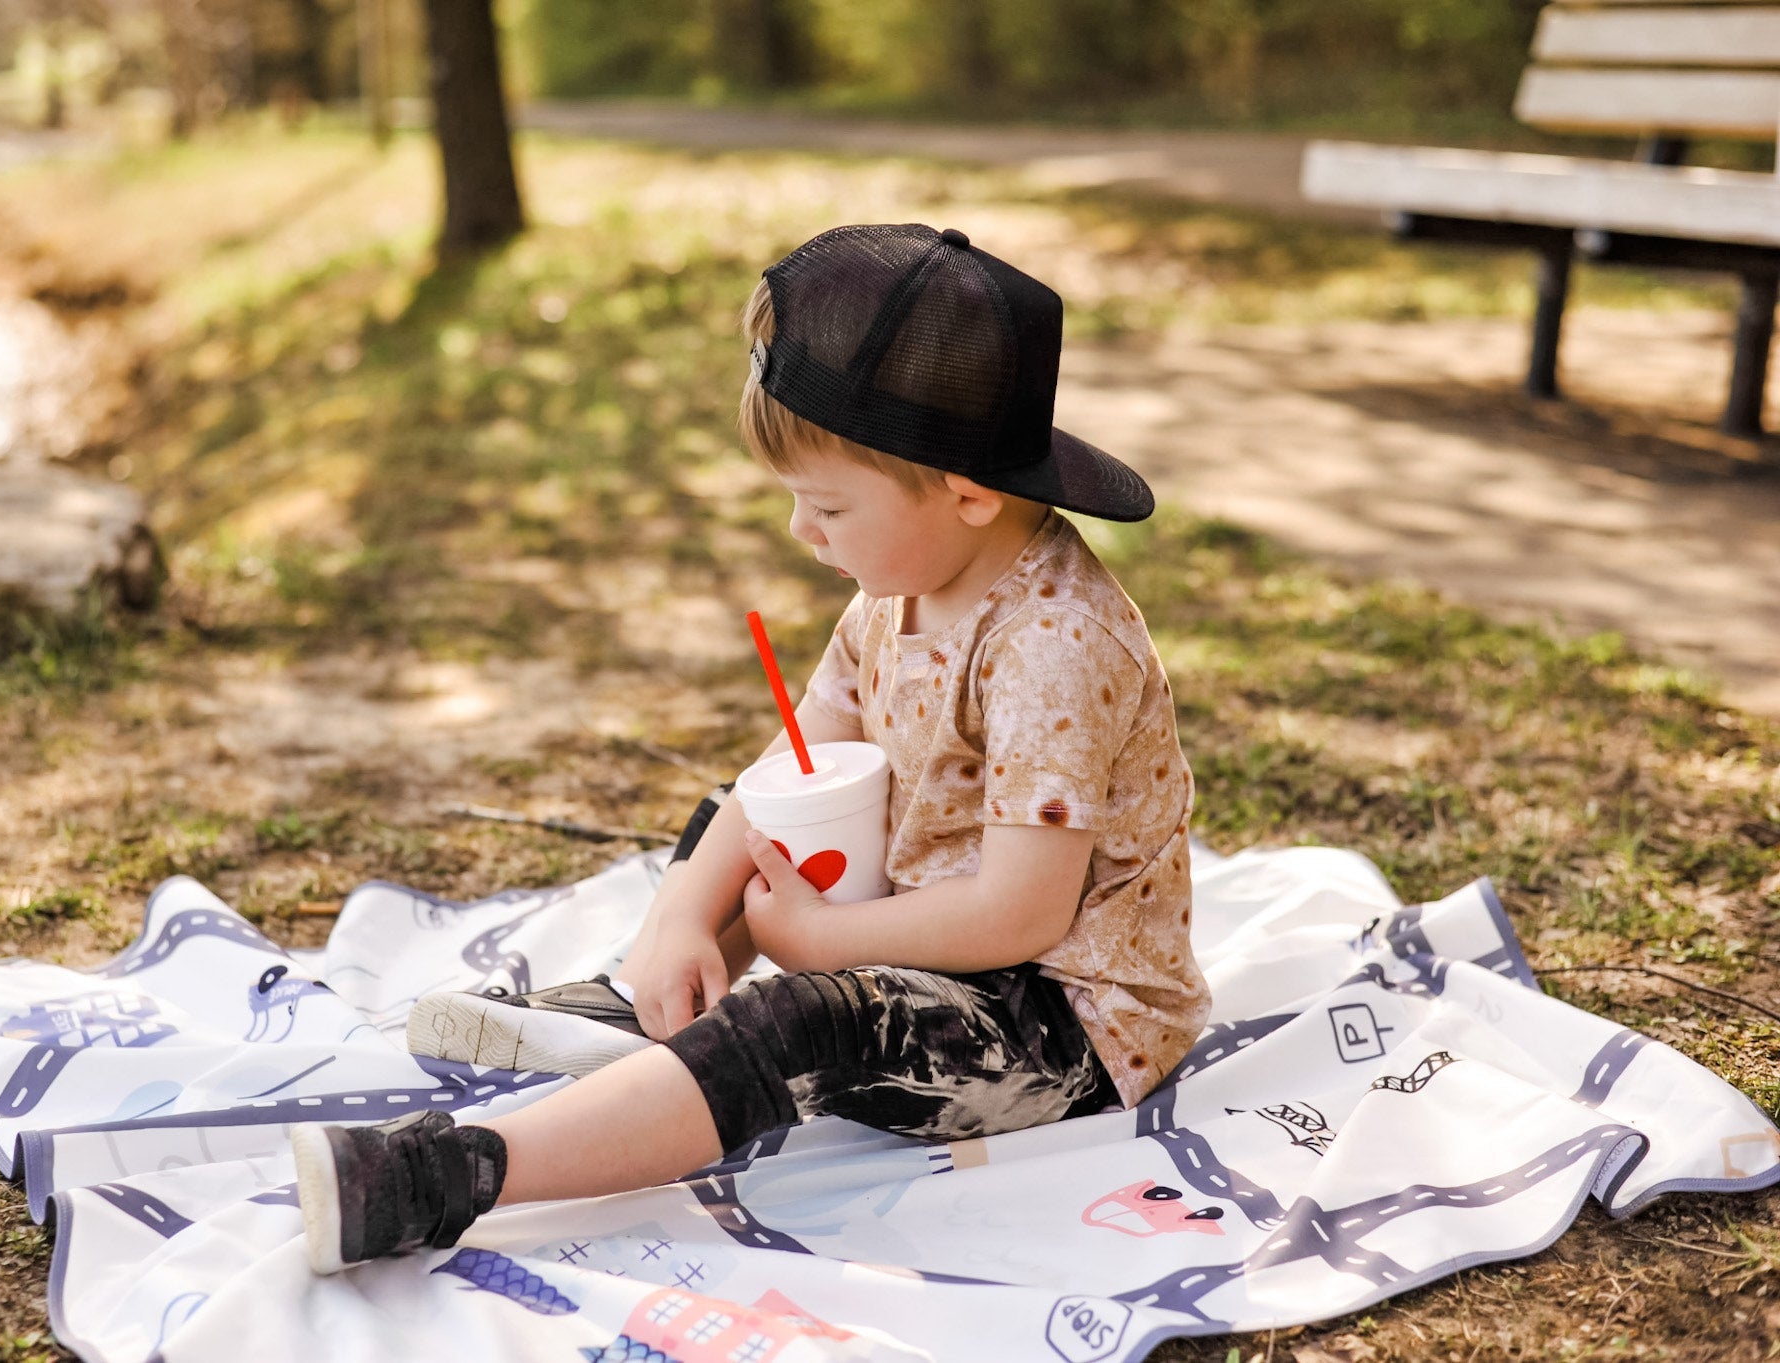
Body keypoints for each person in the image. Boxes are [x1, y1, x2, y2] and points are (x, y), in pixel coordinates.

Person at [289, 223, 1209, 1274]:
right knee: (760, 811)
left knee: (810, 1020)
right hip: (919, 926)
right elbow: (789, 764)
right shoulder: (901, 590)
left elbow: (1021, 913)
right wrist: (688, 914)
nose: (800, 533)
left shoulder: (1052, 642)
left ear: (966, 491)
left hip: (1056, 1024)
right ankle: (655, 1001)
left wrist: (819, 941)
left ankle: (441, 1176)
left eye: (827, 505)